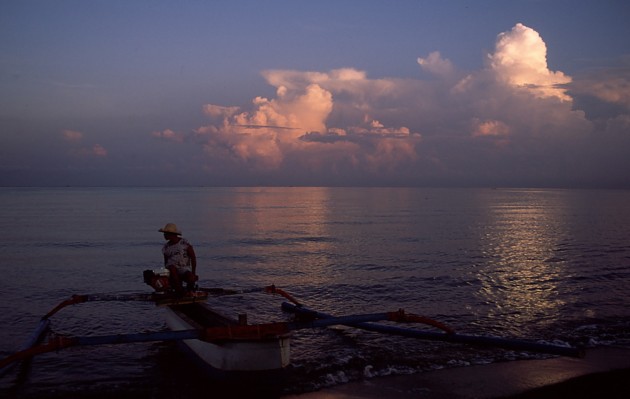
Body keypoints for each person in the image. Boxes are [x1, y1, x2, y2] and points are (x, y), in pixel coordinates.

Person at [158, 223, 197, 293]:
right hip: (171, 268)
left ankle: (190, 289)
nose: (164, 235)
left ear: (171, 234)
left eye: (165, 233)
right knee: (172, 268)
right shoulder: (166, 247)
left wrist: (193, 272)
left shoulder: (184, 243)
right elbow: (166, 262)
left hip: (183, 268)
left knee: (190, 277)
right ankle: (179, 290)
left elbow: (193, 257)